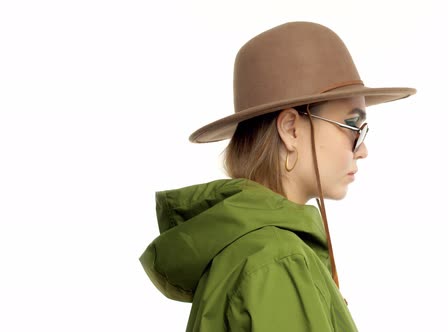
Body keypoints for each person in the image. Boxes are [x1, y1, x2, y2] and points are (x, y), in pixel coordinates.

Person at [140, 21, 415, 331]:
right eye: (352, 126)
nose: (362, 150)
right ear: (290, 130)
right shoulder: (277, 259)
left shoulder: (248, 250)